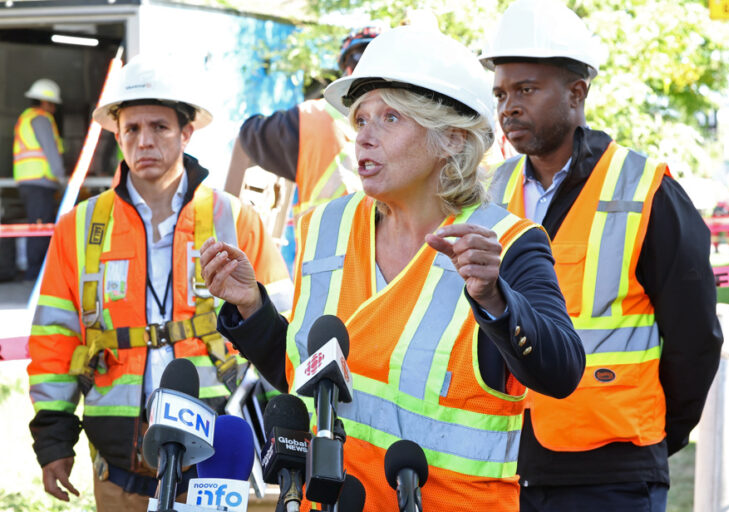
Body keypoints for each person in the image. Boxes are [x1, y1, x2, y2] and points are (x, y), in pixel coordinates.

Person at [201, 26, 585, 512]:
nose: (365, 137)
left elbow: (563, 372)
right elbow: (306, 377)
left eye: (390, 118)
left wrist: (496, 299)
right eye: (361, 120)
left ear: (451, 139)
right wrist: (252, 307)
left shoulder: (508, 244)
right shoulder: (325, 226)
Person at [480, 1, 724, 510]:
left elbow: (695, 338)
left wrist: (655, 436)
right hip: (504, 462)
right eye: (501, 93)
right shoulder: (491, 193)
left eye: (526, 90)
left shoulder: (646, 191)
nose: (508, 108)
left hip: (613, 471)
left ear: (577, 94)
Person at [26, 55, 292, 512]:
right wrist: (53, 440)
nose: (144, 141)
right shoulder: (79, 227)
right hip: (118, 471)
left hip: (215, 468)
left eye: (160, 127)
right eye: (131, 129)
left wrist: (289, 437)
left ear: (187, 133)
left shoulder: (235, 219)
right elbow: (55, 335)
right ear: (117, 134)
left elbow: (281, 330)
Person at [234, 25, 382, 220]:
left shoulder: (309, 118)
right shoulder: (414, 122)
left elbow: (250, 134)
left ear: (347, 70)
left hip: (323, 246)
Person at [13, 78, 66, 280]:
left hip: (30, 181)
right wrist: (61, 177)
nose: (54, 109)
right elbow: (51, 151)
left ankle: (36, 273)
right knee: (40, 228)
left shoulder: (26, 118)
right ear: (45, 102)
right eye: (53, 104)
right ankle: (36, 275)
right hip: (40, 182)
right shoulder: (41, 119)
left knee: (37, 227)